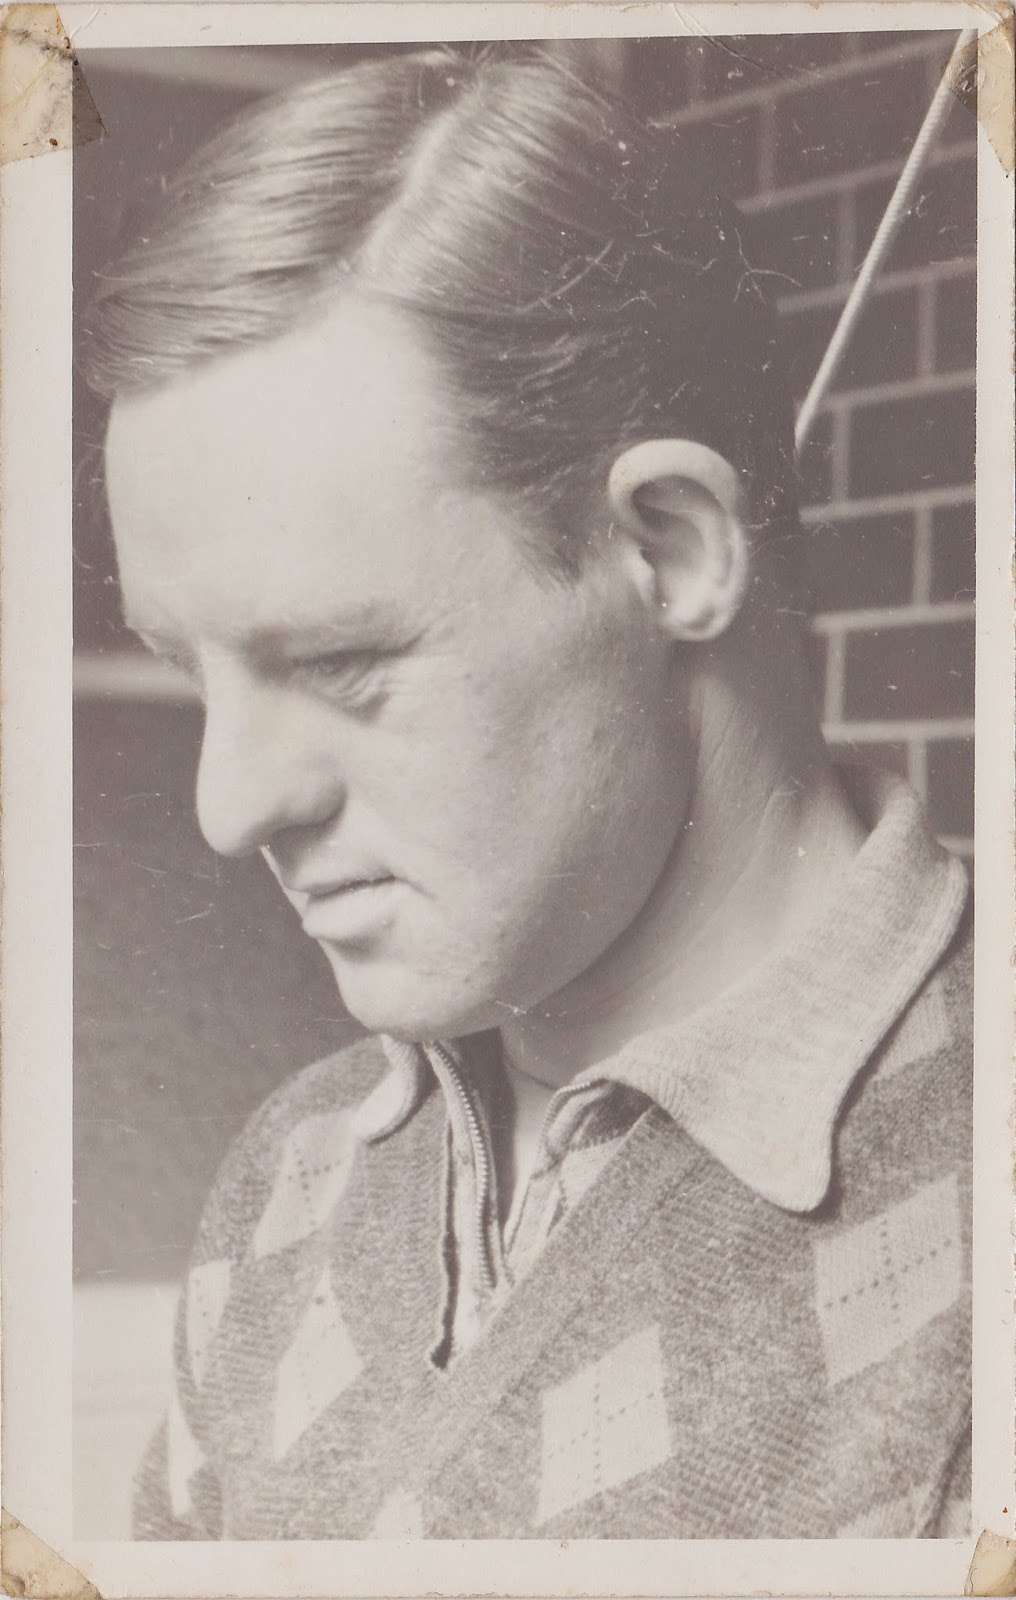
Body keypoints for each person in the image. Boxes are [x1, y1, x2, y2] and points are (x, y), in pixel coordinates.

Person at [83, 44, 972, 1541]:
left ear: (670, 551)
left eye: (343, 662)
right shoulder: (292, 1175)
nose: (228, 809)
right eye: (191, 672)